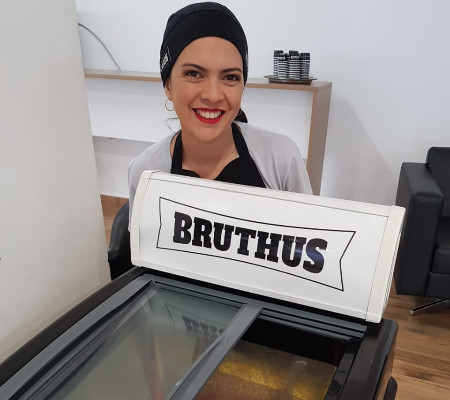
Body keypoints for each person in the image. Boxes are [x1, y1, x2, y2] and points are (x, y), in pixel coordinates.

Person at [128, 2, 312, 216]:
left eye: (230, 77)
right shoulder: (145, 172)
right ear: (168, 86)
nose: (213, 95)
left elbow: (308, 232)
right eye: (193, 74)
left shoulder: (281, 159)